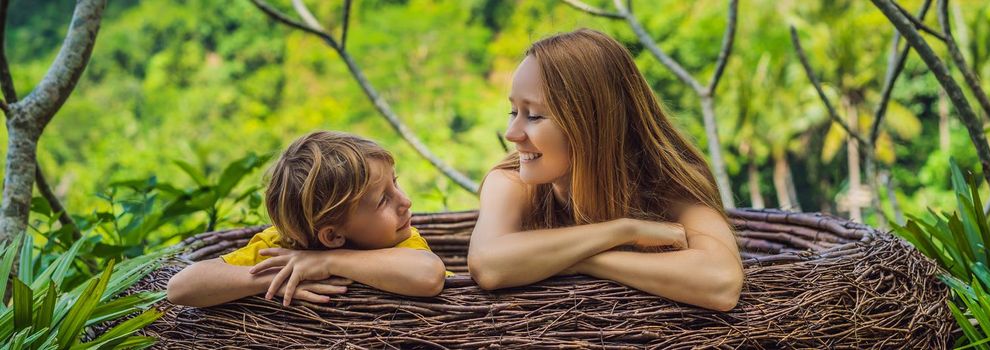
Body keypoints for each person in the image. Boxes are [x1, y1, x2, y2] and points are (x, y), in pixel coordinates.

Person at [467, 29, 743, 311]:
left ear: (591, 124)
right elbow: (488, 264)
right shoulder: (510, 181)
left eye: (534, 115)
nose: (511, 134)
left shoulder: (665, 182)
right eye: (514, 112)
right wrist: (625, 231)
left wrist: (580, 259)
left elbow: (721, 282)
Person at [167, 131, 447, 307]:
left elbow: (429, 276)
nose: (405, 201)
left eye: (395, 183)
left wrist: (324, 262)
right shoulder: (283, 249)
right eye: (383, 199)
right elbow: (181, 288)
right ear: (332, 236)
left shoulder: (398, 244)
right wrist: (271, 279)